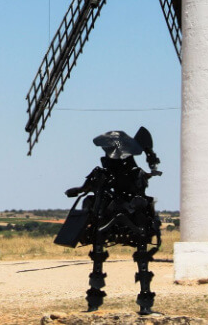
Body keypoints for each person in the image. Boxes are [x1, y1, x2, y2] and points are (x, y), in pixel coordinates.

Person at [55, 127, 162, 314]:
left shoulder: (103, 172)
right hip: (132, 220)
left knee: (98, 250)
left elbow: (85, 187)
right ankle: (144, 302)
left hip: (109, 222)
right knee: (141, 252)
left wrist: (76, 191)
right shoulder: (134, 172)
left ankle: (94, 301)